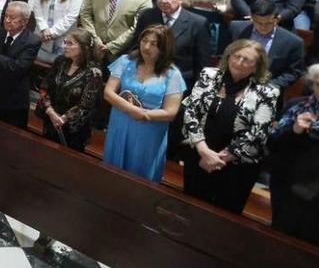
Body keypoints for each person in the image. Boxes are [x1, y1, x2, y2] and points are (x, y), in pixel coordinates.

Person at [181, 39, 277, 213]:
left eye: (246, 60)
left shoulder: (267, 92)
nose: (239, 62)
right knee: (190, 211)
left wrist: (219, 159)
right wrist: (203, 150)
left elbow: (258, 133)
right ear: (228, 56)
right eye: (236, 56)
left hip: (236, 167)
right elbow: (190, 112)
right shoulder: (208, 75)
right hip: (199, 155)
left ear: (256, 67)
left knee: (223, 220)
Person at [104, 24, 185, 182]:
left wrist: (144, 115)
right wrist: (131, 110)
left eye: (154, 44)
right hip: (120, 125)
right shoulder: (125, 61)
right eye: (144, 41)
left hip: (149, 132)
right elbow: (108, 93)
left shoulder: (173, 74)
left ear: (164, 47)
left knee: (140, 178)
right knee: (112, 175)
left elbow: (170, 112)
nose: (146, 47)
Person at [268, 63, 319, 244]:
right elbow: (273, 144)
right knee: (280, 239)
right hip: (289, 186)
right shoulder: (296, 106)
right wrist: (295, 130)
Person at [0, 1, 41, 128]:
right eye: (6, 16)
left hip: (12, 103)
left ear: (24, 21)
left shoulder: (32, 41)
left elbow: (17, 68)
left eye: (12, 18)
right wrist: (2, 63)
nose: (7, 20)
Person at [36, 28, 103, 151]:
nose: (64, 46)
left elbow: (85, 105)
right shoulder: (60, 62)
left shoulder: (93, 72)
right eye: (65, 42)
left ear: (84, 48)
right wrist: (50, 111)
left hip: (73, 128)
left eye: (70, 43)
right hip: (51, 118)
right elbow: (45, 87)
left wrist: (63, 118)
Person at [229, 0, 306, 99]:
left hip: (267, 92)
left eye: (269, 23)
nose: (263, 27)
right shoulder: (236, 28)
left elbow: (294, 72)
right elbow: (225, 55)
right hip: (233, 84)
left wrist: (268, 87)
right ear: (251, 18)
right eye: (258, 23)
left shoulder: (293, 42)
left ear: (277, 19)